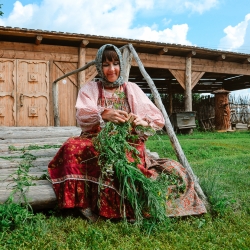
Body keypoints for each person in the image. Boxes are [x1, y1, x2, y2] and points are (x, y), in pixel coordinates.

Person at [48, 44, 206, 223]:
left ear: (121, 65)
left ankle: (125, 200)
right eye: (106, 64)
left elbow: (155, 118)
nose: (112, 69)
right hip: (97, 139)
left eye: (115, 63)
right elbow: (82, 114)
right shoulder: (91, 88)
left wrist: (142, 122)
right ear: (100, 67)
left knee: (122, 159)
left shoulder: (130, 89)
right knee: (71, 147)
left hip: (127, 141)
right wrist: (103, 114)